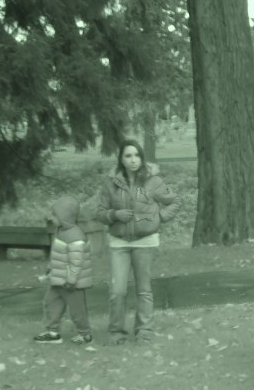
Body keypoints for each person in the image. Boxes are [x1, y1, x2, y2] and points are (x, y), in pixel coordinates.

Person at [97, 139, 182, 344]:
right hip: (119, 243)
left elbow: (176, 201)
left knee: (143, 290)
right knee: (117, 291)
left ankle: (144, 332)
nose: (133, 160)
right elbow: (100, 212)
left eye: (136, 155)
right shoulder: (110, 183)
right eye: (128, 156)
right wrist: (115, 214)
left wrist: (160, 217)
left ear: (142, 158)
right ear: (121, 159)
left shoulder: (153, 181)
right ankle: (117, 333)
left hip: (145, 242)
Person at [34, 196, 94, 345]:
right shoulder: (61, 231)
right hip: (58, 279)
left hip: (72, 283)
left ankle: (85, 334)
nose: (51, 218)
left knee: (77, 309)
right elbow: (58, 255)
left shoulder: (75, 236)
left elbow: (76, 261)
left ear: (65, 217)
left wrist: (72, 280)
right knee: (51, 303)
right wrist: (49, 270)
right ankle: (52, 333)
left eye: (55, 215)